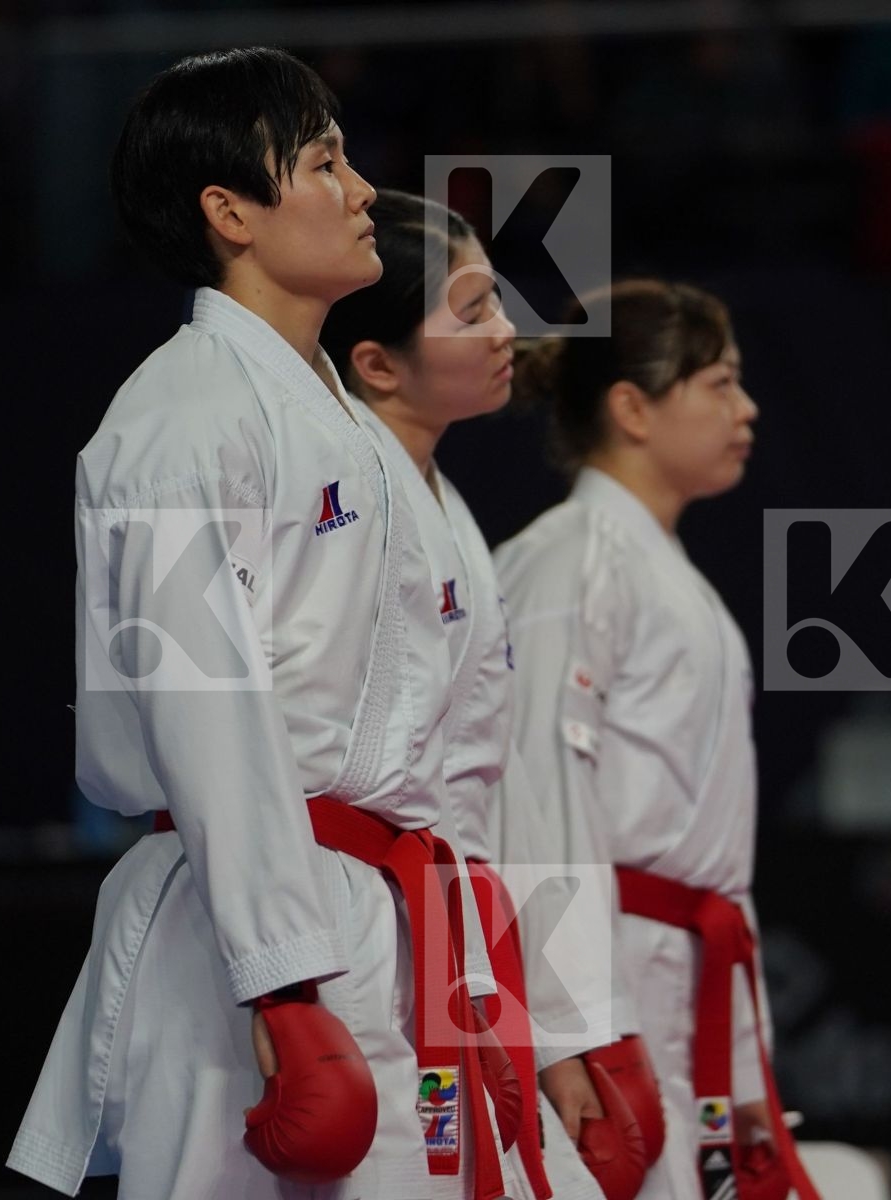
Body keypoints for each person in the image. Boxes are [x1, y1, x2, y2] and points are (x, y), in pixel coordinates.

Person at [7, 48, 507, 1200]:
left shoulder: (349, 430)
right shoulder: (179, 420)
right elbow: (203, 703)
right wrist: (280, 979)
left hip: (385, 909)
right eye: (324, 162)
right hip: (241, 932)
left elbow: (461, 749)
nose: (363, 189)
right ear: (229, 211)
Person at [320, 189, 658, 1200]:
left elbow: (504, 799)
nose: (508, 330)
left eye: (500, 302)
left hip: (451, 928)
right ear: (378, 365)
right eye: (470, 311)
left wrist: (557, 1029)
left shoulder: (444, 508)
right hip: (354, 932)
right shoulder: (337, 505)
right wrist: (280, 985)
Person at [497, 281, 819, 1200]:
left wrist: (750, 1071)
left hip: (685, 969)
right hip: (611, 971)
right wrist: (569, 1030)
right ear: (632, 408)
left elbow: (719, 861)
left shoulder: (670, 576)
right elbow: (537, 797)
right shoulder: (569, 560)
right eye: (718, 383)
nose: (745, 407)